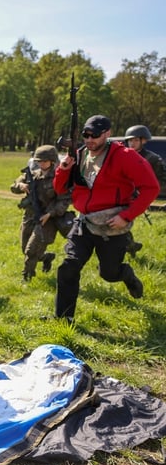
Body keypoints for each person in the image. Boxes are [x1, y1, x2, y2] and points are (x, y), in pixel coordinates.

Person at [53, 115, 160, 321]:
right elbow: (59, 189)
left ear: (108, 134)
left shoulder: (125, 156)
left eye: (95, 135)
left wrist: (127, 216)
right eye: (86, 135)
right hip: (84, 222)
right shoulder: (79, 154)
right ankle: (64, 319)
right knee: (68, 267)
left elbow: (151, 188)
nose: (90, 139)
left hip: (112, 224)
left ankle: (126, 274)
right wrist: (63, 169)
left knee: (109, 274)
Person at [10, 145, 72, 281]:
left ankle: (27, 277)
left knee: (31, 250)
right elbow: (13, 186)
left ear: (52, 161)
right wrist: (21, 186)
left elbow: (64, 200)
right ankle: (46, 257)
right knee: (25, 248)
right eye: (39, 161)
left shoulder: (59, 178)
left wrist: (50, 214)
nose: (41, 164)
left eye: (45, 161)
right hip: (29, 216)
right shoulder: (31, 174)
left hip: (47, 219)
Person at [122, 125, 165, 256]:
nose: (132, 143)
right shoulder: (123, 155)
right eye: (130, 140)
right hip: (122, 194)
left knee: (121, 220)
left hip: (137, 196)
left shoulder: (152, 159)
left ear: (144, 141)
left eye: (135, 140)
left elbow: (160, 179)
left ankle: (127, 245)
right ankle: (129, 245)